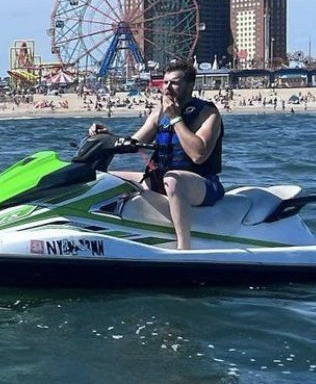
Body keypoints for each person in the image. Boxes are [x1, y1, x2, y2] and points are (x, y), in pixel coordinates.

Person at [89, 59, 224, 250]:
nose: (167, 87)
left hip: (202, 183)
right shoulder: (159, 111)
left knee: (173, 179)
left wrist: (176, 118)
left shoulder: (207, 113)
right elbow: (134, 143)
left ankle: (184, 249)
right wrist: (108, 136)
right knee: (104, 178)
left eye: (175, 82)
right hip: (161, 179)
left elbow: (198, 155)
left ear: (190, 85)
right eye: (165, 82)